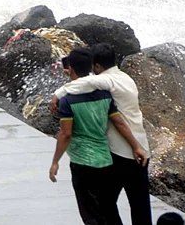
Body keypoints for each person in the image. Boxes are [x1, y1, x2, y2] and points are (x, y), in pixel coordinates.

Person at [50, 44, 152, 225]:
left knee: (104, 203)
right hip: (140, 148)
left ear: (96, 67)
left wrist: (57, 95)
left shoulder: (107, 80)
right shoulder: (126, 78)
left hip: (120, 152)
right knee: (140, 204)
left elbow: (84, 82)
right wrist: (137, 146)